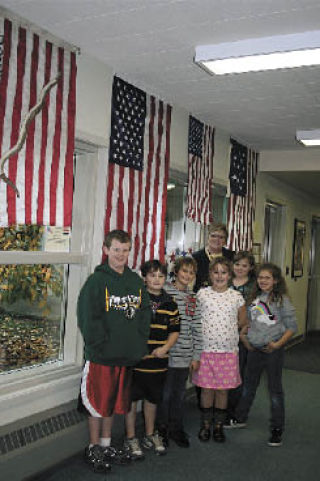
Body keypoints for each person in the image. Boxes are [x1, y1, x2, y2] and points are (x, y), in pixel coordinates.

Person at [77, 230, 151, 473]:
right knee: (97, 404)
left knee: (112, 403)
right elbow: (88, 318)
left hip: (126, 356)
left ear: (130, 251)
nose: (121, 255)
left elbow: (144, 315)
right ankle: (94, 446)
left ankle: (107, 445)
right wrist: (100, 345)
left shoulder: (135, 281)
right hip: (101, 358)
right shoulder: (96, 282)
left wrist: (138, 344)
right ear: (106, 250)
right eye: (116, 249)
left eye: (125, 250)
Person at [228, 263, 297, 447]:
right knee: (248, 386)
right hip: (254, 350)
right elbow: (249, 322)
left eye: (267, 277)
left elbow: (292, 328)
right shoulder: (255, 298)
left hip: (273, 351)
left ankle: (277, 429)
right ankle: (240, 417)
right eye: (260, 277)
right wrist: (244, 337)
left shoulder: (282, 300)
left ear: (275, 280)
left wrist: (277, 345)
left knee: (275, 390)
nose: (263, 281)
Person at [124, 260, 180, 459]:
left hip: (158, 365)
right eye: (152, 275)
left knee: (152, 400)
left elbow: (174, 331)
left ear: (166, 278)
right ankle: (130, 437)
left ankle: (149, 434)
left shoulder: (170, 303)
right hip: (137, 363)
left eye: (161, 276)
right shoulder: (136, 299)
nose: (157, 280)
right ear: (144, 277)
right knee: (130, 400)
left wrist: (165, 348)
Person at [192, 257, 248, 443]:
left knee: (223, 391)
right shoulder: (202, 294)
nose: (219, 276)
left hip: (227, 352)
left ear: (230, 275)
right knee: (207, 389)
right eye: (216, 272)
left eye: (224, 272)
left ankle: (218, 426)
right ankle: (206, 425)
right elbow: (194, 320)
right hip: (206, 351)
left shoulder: (236, 297)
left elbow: (242, 321)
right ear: (210, 274)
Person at [157, 256, 203, 448]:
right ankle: (162, 429)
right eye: (184, 271)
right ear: (176, 271)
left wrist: (196, 356)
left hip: (184, 356)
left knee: (179, 394)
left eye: (191, 273)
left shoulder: (193, 299)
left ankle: (176, 428)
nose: (188, 275)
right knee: (164, 394)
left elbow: (197, 328)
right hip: (166, 354)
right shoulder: (164, 292)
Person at [225, 251, 256, 424]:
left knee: (240, 374)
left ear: (250, 267)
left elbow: (257, 311)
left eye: (244, 265)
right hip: (224, 334)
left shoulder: (254, 286)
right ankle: (224, 408)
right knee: (226, 372)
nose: (240, 268)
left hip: (244, 335)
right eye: (237, 264)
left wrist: (244, 331)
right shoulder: (226, 282)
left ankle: (236, 412)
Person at [192, 223, 234, 293]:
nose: (217, 239)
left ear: (225, 240)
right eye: (213, 236)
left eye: (221, 237)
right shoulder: (196, 257)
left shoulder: (232, 256)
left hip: (226, 297)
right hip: (201, 298)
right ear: (208, 237)